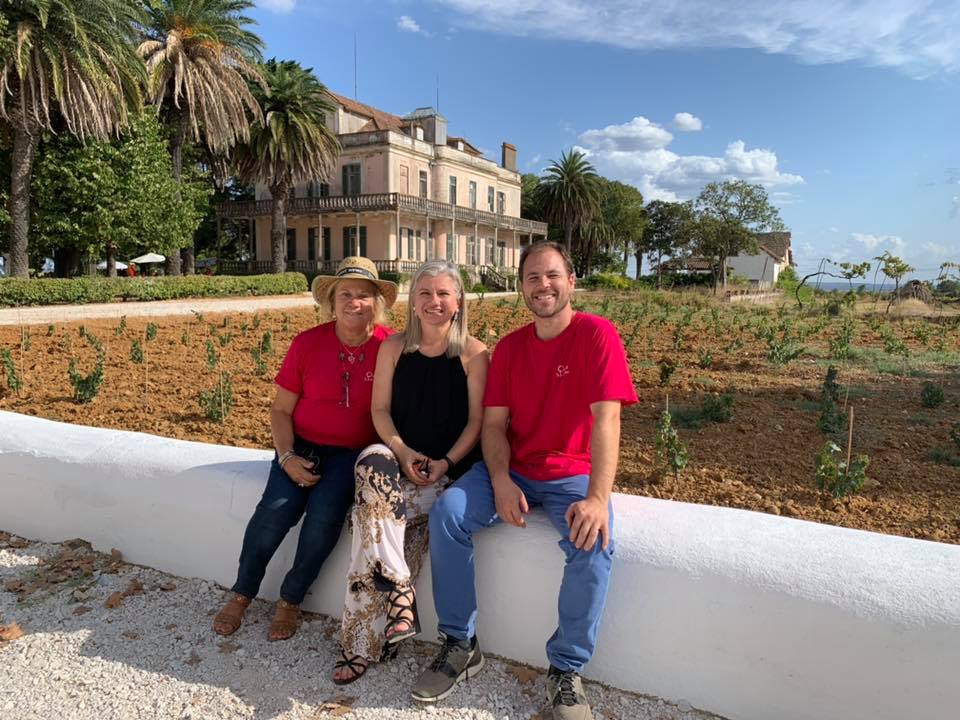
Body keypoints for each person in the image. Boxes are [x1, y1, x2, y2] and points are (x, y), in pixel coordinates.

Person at [412, 242, 638, 720]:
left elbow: (607, 420)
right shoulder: (512, 348)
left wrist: (598, 498)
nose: (543, 285)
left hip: (571, 473)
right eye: (532, 277)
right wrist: (499, 478)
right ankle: (459, 643)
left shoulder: (597, 335)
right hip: (514, 468)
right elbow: (494, 426)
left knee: (594, 541)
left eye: (552, 275)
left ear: (571, 281)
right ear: (521, 288)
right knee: (449, 513)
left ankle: (566, 670)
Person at [213, 257, 397, 641]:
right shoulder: (307, 343)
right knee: (273, 515)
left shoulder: (390, 347)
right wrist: (287, 457)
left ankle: (290, 600)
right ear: (332, 301)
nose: (354, 302)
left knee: (322, 522)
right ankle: (242, 593)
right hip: (300, 448)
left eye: (364, 295)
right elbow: (280, 410)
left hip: (350, 456)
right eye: (345, 294)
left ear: (376, 303)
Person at [332, 259, 488, 685]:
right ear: (413, 302)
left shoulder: (474, 354)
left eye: (443, 293)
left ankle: (360, 645)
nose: (434, 301)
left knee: (369, 523)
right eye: (425, 293)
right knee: (370, 460)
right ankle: (400, 588)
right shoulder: (394, 348)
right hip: (395, 462)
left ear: (458, 301)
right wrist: (402, 453)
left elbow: (477, 423)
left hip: (446, 471)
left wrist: (445, 462)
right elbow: (380, 410)